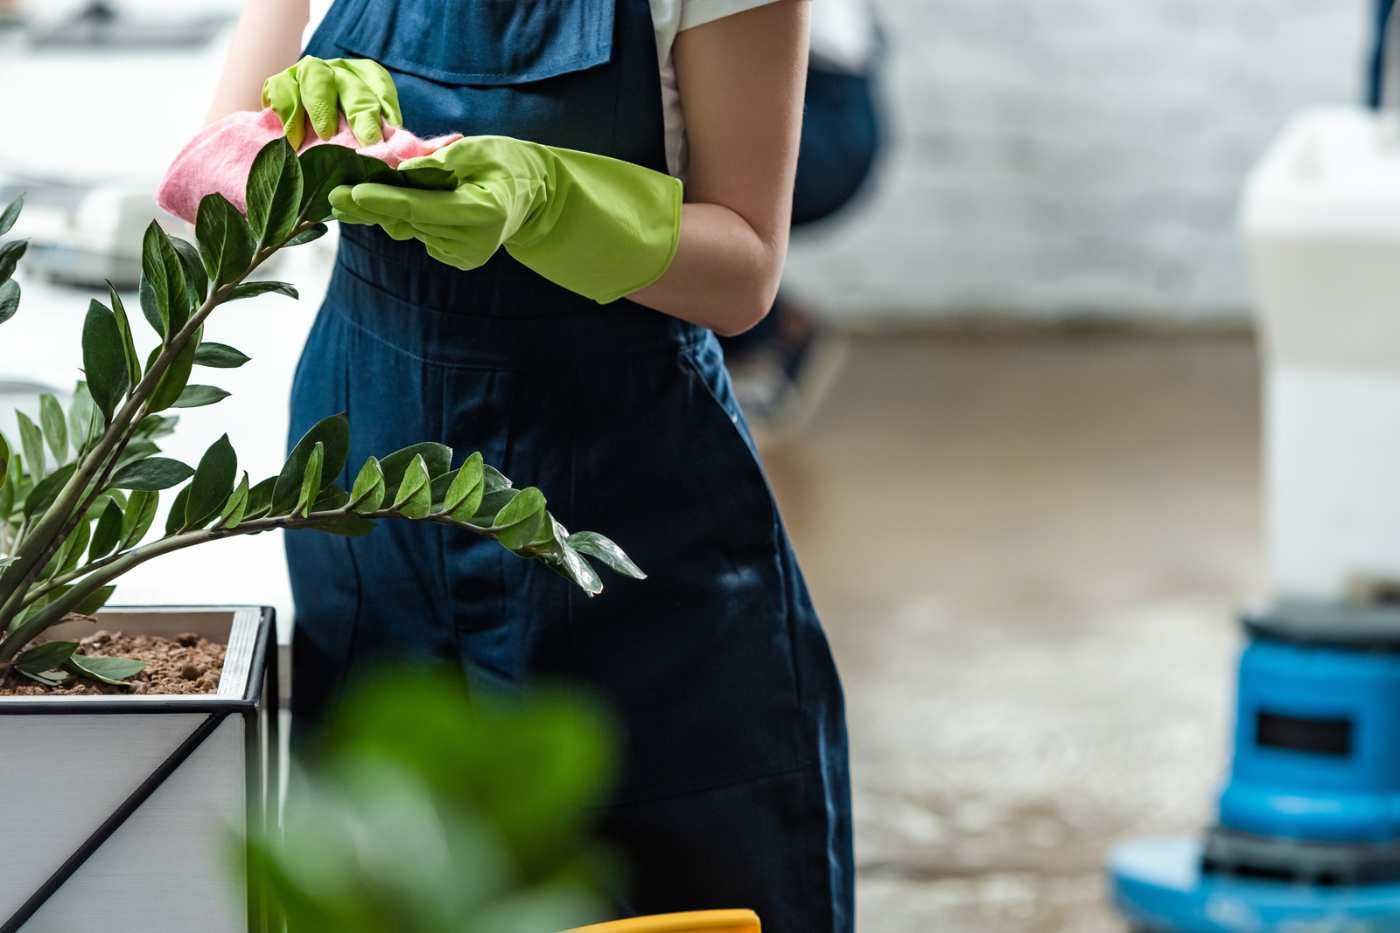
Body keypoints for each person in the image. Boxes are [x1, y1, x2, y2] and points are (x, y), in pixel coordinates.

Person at [206, 1, 852, 930]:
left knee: (642, 875)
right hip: (368, 475)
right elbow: (213, 176)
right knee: (388, 868)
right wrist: (285, 143)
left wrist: (552, 197)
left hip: (615, 485)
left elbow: (746, 268)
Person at [720, 0, 883, 434]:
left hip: (824, 109)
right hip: (823, 98)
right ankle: (769, 330)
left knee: (666, 174)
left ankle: (764, 334)